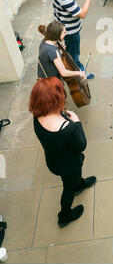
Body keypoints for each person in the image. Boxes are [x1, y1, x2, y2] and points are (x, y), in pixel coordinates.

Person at [29, 77, 96, 227]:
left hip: (53, 160)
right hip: (69, 165)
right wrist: (77, 122)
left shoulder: (37, 115)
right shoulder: (67, 128)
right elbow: (81, 145)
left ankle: (79, 184)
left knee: (71, 180)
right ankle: (64, 215)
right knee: (68, 188)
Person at [53, 0, 94, 79]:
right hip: (70, 30)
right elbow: (82, 14)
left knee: (71, 52)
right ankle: (80, 72)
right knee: (74, 55)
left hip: (63, 22)